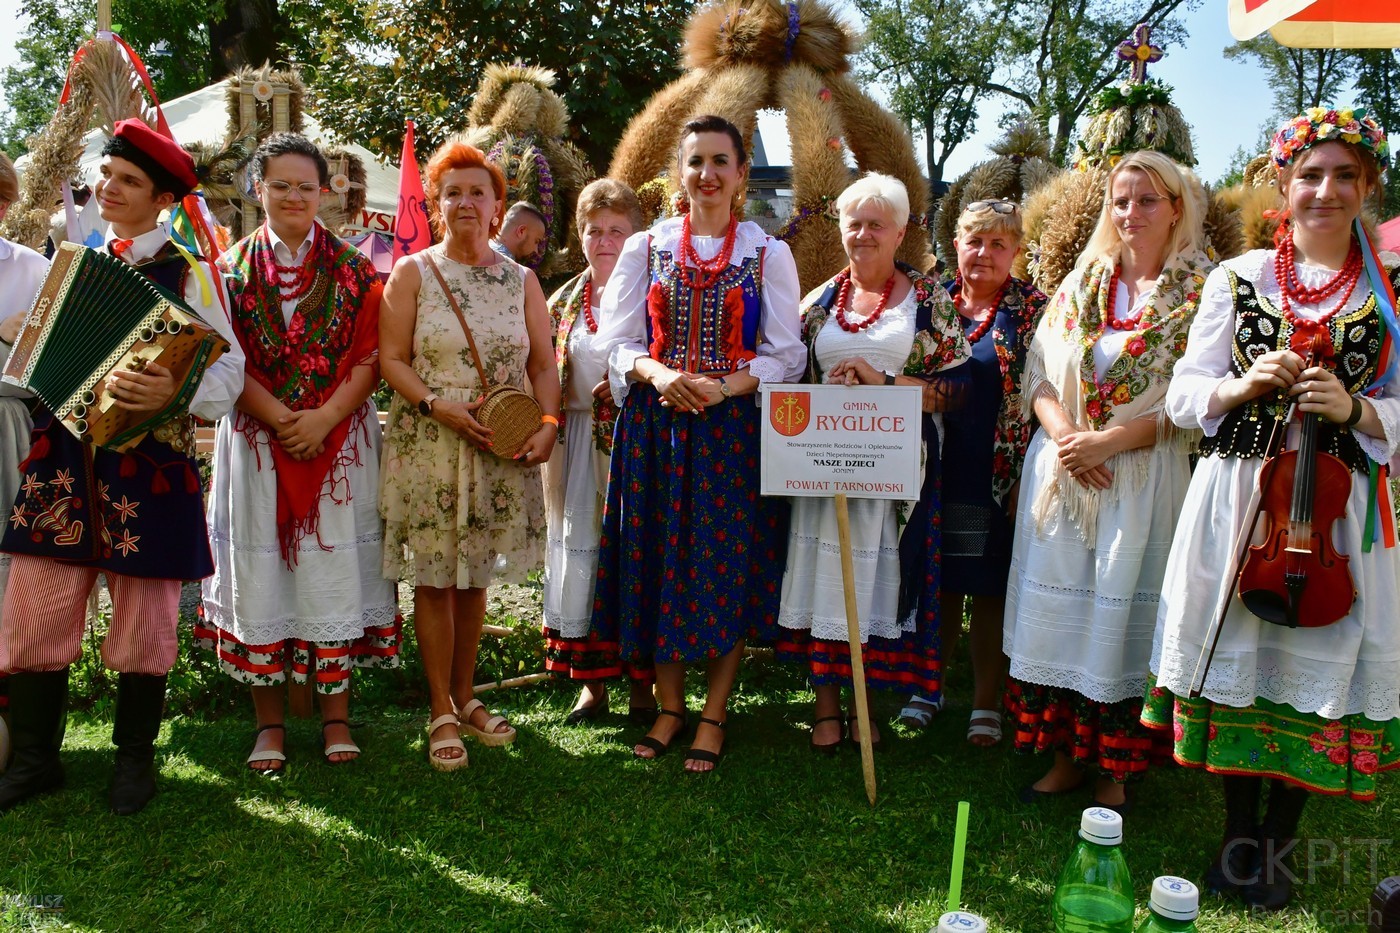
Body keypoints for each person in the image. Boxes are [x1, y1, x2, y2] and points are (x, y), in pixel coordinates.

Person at [1143, 108, 1400, 911]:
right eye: (1310, 175)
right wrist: (1242, 385)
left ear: (1367, 187)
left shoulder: (1389, 292)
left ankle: (1280, 842)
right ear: (1281, 184)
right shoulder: (1239, 277)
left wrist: (1358, 409)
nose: (1325, 191)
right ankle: (1235, 835)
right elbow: (1185, 395)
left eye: (1344, 176)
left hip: (1335, 510)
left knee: (1320, 649)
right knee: (1241, 651)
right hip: (1242, 502)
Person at [0, 119, 245, 814]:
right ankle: (37, 759)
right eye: (107, 174)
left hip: (150, 465)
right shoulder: (70, 261)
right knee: (37, 599)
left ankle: (134, 758)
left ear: (162, 197)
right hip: (65, 461)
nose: (109, 187)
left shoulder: (191, 273)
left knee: (144, 613)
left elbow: (230, 378)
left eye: (128, 180)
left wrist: (175, 387)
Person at [590, 114, 803, 772]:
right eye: (695, 162)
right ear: (678, 174)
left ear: (741, 175)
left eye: (720, 161)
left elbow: (786, 355)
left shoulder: (767, 253)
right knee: (655, 560)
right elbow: (616, 343)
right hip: (656, 427)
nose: (707, 174)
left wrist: (724, 387)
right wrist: (661, 373)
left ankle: (714, 711)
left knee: (724, 566)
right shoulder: (645, 248)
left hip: (729, 434)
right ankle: (669, 705)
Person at [1002, 150, 1212, 811]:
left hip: (1143, 477)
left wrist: (1110, 438)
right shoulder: (1083, 281)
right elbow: (1038, 369)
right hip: (1067, 476)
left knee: (1117, 621)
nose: (1131, 212)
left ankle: (1114, 770)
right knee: (1066, 617)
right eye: (1121, 200)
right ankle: (1064, 757)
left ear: (1177, 208)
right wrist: (1066, 435)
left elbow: (1200, 401)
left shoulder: (1204, 293)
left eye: (1148, 199)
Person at [197, 133, 399, 773]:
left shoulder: (356, 267)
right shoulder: (225, 272)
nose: (292, 196)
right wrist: (286, 418)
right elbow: (222, 357)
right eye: (279, 184)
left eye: (305, 186)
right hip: (259, 444)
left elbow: (372, 355)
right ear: (258, 189)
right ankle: (270, 725)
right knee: (266, 581)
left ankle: (337, 718)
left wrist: (324, 419)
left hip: (338, 447)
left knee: (332, 577)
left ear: (325, 193)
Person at [379, 141, 561, 771]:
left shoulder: (523, 280)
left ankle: (465, 694)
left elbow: (543, 362)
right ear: (436, 204)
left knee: (474, 573)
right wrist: (436, 404)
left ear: (497, 205)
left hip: (496, 445)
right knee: (433, 577)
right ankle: (439, 710)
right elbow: (391, 360)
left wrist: (548, 423)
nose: (464, 202)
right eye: (451, 192)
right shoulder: (413, 273)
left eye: (477, 192)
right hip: (432, 439)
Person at [775, 173, 970, 752]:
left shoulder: (929, 301)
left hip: (895, 473)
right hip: (824, 468)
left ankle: (868, 703)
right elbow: (790, 380)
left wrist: (883, 380)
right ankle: (828, 707)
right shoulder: (817, 305)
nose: (863, 234)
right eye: (853, 223)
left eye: (876, 224)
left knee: (876, 583)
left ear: (901, 231)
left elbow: (957, 391)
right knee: (826, 582)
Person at [897, 199, 1046, 746]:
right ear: (954, 244)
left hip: (996, 472)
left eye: (999, 244)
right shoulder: (926, 301)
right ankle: (927, 687)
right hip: (927, 466)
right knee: (935, 582)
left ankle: (986, 700)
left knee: (988, 586)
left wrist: (1029, 476)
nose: (984, 253)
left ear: (1016, 252)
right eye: (974, 241)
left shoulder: (1034, 311)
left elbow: (1044, 394)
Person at [538, 178, 656, 724]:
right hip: (574, 446)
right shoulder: (562, 298)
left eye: (617, 230)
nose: (604, 239)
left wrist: (630, 381)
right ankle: (591, 686)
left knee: (633, 554)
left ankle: (642, 689)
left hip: (634, 443)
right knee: (579, 551)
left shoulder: (655, 294)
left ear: (638, 237)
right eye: (594, 229)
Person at [0, 152, 48, 772]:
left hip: (8, 425)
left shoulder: (33, 269)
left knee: (10, 572)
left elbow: (55, 366)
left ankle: (13, 718)